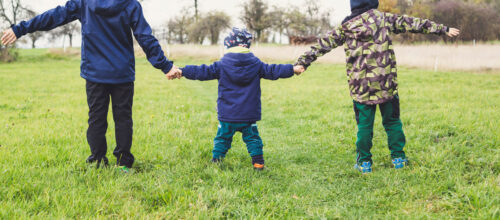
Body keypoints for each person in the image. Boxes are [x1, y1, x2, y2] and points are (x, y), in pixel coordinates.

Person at [0, 0, 182, 172]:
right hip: (122, 73)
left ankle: (97, 159)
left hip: (95, 73)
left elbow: (53, 17)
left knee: (96, 118)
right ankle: (123, 163)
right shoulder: (130, 3)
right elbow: (145, 37)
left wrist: (20, 29)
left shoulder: (85, 2)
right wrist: (165, 66)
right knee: (123, 119)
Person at [295, 0, 460, 173]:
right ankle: (399, 159)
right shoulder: (383, 19)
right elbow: (411, 23)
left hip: (361, 88)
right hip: (386, 84)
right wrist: (443, 29)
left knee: (364, 126)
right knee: (393, 121)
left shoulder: (346, 27)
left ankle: (364, 163)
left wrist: (303, 62)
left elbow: (322, 44)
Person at [168, 28, 304, 170]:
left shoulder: (222, 64)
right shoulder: (256, 64)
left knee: (222, 138)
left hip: (227, 114)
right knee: (252, 139)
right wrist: (292, 69)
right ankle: (258, 163)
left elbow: (202, 71)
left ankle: (217, 161)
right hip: (248, 114)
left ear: (229, 45)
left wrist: (183, 71)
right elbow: (273, 70)